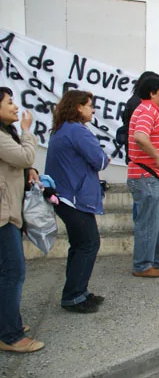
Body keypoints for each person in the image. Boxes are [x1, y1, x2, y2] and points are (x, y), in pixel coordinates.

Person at [45, 90, 110, 313]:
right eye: (89, 105)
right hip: (73, 198)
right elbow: (100, 161)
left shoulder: (62, 129)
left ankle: (78, 291)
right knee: (89, 244)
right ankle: (73, 296)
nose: (92, 110)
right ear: (78, 107)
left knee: (80, 244)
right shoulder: (77, 131)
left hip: (65, 197)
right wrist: (105, 158)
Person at [0, 87, 44, 353]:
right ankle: (11, 335)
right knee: (13, 272)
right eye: (9, 102)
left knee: (7, 272)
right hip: (4, 215)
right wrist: (27, 130)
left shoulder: (6, 134)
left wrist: (30, 169)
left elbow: (20, 162)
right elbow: (24, 155)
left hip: (9, 211)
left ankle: (7, 323)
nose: (16, 107)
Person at [127, 74, 159, 278]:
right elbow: (140, 137)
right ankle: (142, 265)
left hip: (152, 176)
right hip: (145, 176)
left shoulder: (150, 110)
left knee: (158, 219)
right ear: (151, 93)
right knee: (148, 222)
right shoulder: (147, 110)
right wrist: (158, 156)